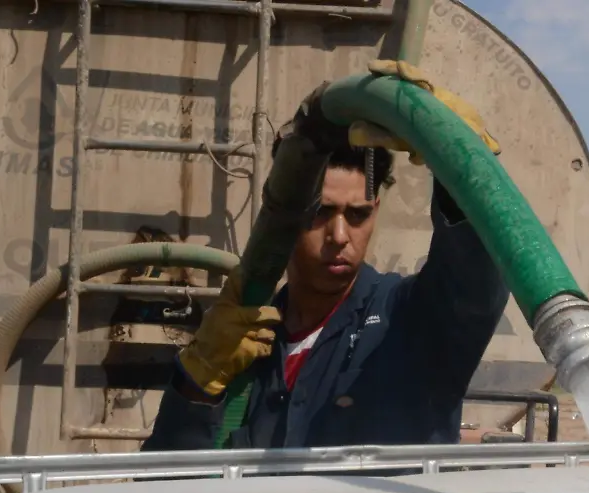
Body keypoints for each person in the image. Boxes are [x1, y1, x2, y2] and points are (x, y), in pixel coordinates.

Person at [142, 69, 510, 452]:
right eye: (321, 212)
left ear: (376, 209)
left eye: (358, 215)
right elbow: (165, 490)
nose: (339, 236)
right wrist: (195, 384)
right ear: (286, 214)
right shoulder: (244, 343)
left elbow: (474, 284)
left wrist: (465, 171)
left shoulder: (412, 321)